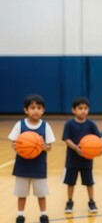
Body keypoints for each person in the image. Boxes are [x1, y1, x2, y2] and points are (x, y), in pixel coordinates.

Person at [8, 94, 56, 223]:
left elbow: (49, 147)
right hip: (22, 165)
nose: (36, 110)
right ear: (26, 110)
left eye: (39, 107)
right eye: (32, 107)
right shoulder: (20, 125)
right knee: (21, 193)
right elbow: (13, 143)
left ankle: (43, 214)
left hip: (38, 166)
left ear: (43, 110)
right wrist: (17, 146)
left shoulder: (46, 126)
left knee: (41, 193)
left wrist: (40, 146)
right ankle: (20, 214)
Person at [62, 97, 102, 213]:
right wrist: (76, 148)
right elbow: (66, 139)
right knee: (70, 183)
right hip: (72, 160)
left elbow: (99, 139)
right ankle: (69, 202)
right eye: (80, 108)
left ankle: (91, 202)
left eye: (85, 108)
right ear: (73, 110)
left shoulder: (91, 124)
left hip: (87, 160)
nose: (83, 111)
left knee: (89, 182)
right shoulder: (69, 124)